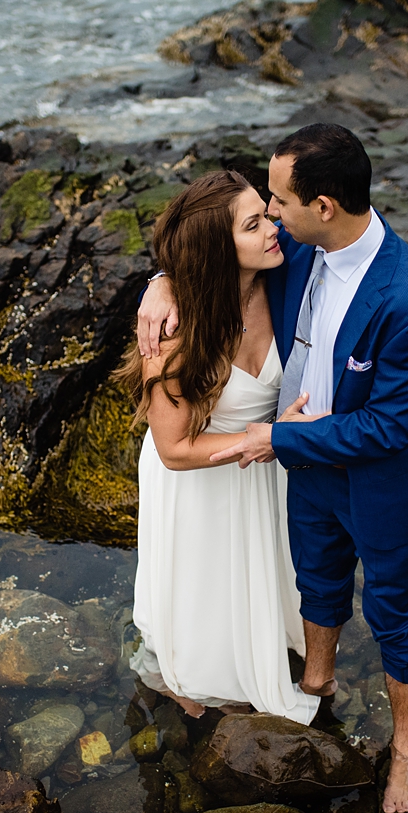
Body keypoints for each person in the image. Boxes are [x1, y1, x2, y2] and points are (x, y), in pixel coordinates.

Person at [137, 124, 408, 813]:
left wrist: (274, 435)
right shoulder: (297, 255)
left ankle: (405, 753)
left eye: (279, 201)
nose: (273, 214)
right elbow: (207, 248)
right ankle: (317, 684)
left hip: (381, 481)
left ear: (324, 206)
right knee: (316, 579)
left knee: (395, 614)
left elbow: (393, 426)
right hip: (302, 470)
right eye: (267, 205)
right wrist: (160, 283)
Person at [116, 169, 322, 725]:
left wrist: (278, 441)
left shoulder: (280, 275)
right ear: (217, 251)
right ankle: (197, 674)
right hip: (202, 472)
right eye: (254, 224)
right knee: (207, 586)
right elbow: (174, 449)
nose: (274, 226)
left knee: (269, 571)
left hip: (267, 462)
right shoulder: (177, 333)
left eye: (266, 211)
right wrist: (265, 439)